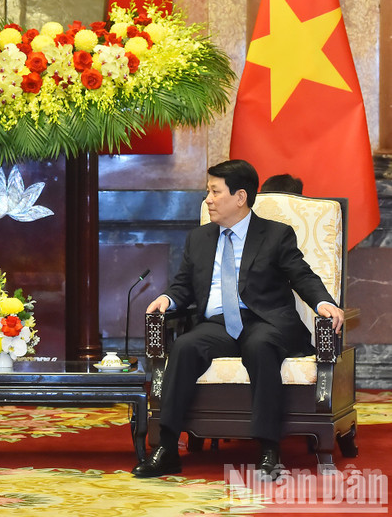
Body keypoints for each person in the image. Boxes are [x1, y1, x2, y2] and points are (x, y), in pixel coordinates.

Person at [133, 159, 343, 480]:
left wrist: (323, 302)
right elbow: (184, 285)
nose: (208, 199)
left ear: (240, 197)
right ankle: (167, 449)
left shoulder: (275, 235)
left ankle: (269, 450)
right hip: (218, 324)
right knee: (186, 346)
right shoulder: (199, 239)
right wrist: (168, 298)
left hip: (265, 321)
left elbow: (302, 276)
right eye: (208, 192)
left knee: (259, 346)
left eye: (215, 192)